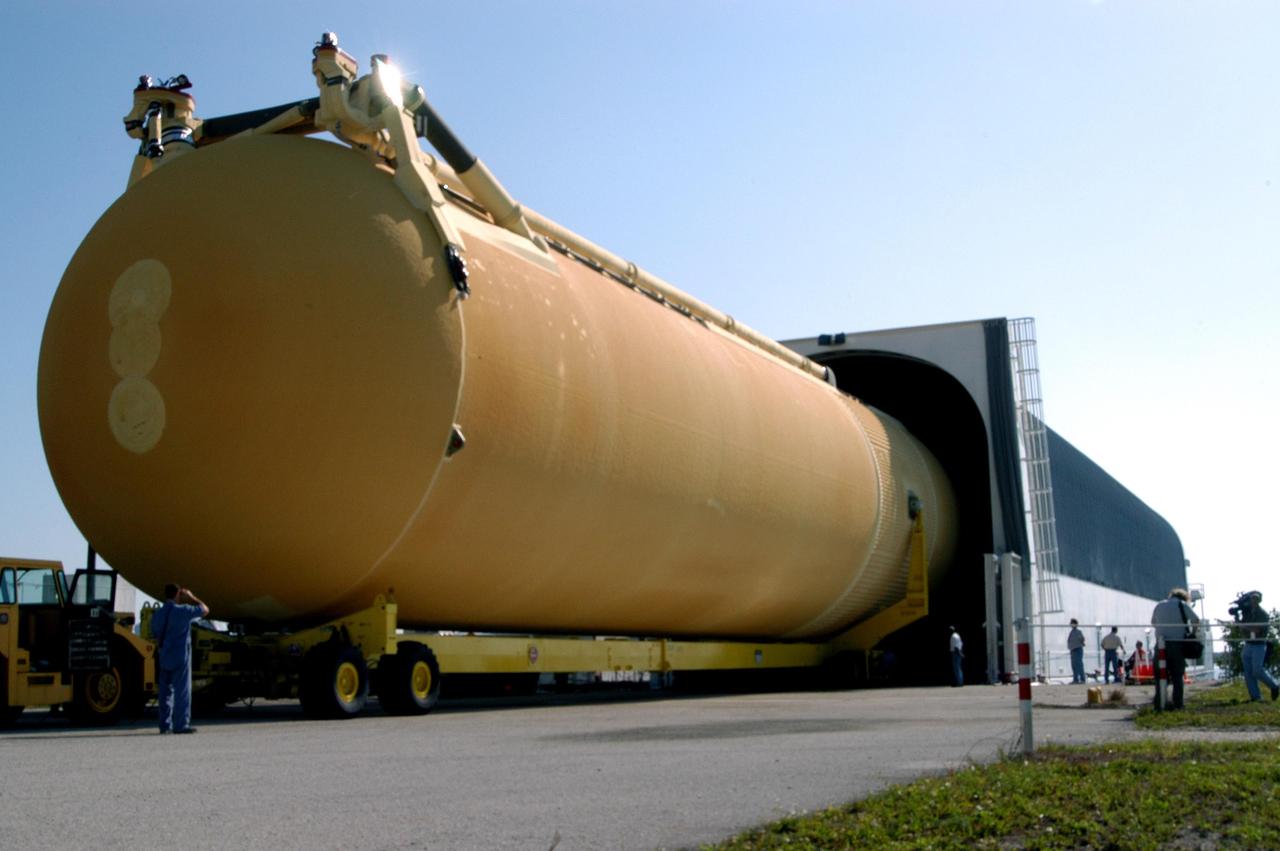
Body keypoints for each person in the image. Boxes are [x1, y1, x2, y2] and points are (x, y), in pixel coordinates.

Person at [150, 583, 210, 734]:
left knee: (165, 693)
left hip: (164, 655)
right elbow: (205, 609)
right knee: (182, 691)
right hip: (180, 655)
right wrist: (191, 596)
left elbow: (154, 634)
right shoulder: (183, 610)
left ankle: (164, 725)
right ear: (178, 594)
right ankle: (181, 725)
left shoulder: (158, 613)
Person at [1151, 588, 1199, 710]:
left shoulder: (1159, 605)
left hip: (1160, 645)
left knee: (1160, 676)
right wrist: (1192, 633)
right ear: (1183, 598)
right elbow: (1195, 620)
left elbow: (1153, 622)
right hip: (1176, 644)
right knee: (1177, 675)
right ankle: (1178, 703)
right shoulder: (1182, 605)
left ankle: (1159, 702)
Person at [1236, 591, 1280, 703]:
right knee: (1248, 673)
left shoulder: (1263, 614)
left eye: (1256, 599)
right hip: (1248, 644)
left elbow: (1256, 629)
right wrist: (1239, 620)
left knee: (1257, 670)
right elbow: (1243, 627)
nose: (1253, 601)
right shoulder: (1247, 613)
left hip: (1259, 645)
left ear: (1259, 600)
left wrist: (1244, 626)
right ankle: (1255, 696)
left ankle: (1274, 686)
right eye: (1252, 599)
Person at [1066, 619, 1086, 683]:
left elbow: (1082, 639)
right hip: (1073, 650)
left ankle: (1082, 679)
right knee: (1074, 665)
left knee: (1079, 665)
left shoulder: (1078, 632)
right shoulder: (1071, 632)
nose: (1071, 624)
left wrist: (1082, 642)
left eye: (1073, 623)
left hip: (1078, 649)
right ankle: (1075, 679)